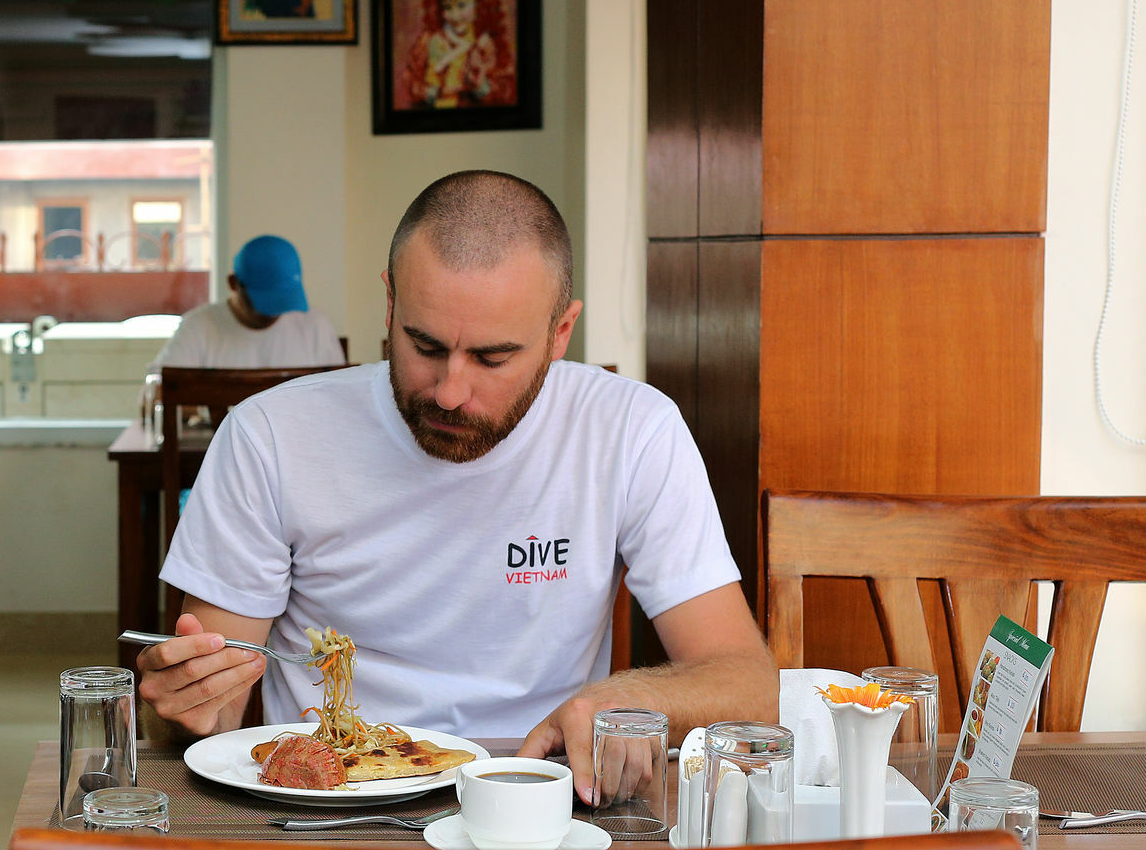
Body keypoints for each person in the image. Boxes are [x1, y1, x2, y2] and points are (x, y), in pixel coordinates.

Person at [136, 171, 774, 799]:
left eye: (493, 358)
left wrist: (631, 695)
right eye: (424, 345)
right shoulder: (270, 437)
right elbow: (209, 717)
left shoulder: (632, 431)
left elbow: (750, 683)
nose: (449, 391)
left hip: (536, 795)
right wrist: (184, 705)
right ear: (389, 303)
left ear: (560, 332)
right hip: (335, 806)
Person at [150, 235, 345, 372]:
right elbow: (155, 397)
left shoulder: (314, 325)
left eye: (283, 301)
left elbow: (339, 399)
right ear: (233, 284)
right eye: (265, 301)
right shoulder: (198, 327)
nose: (272, 313)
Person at [404, 0, 516, 109]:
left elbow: (507, 88)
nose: (454, 16)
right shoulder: (428, 41)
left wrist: (482, 87)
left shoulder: (487, 44)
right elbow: (411, 80)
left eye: (462, 6)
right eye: (448, 8)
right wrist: (428, 92)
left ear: (478, 6)